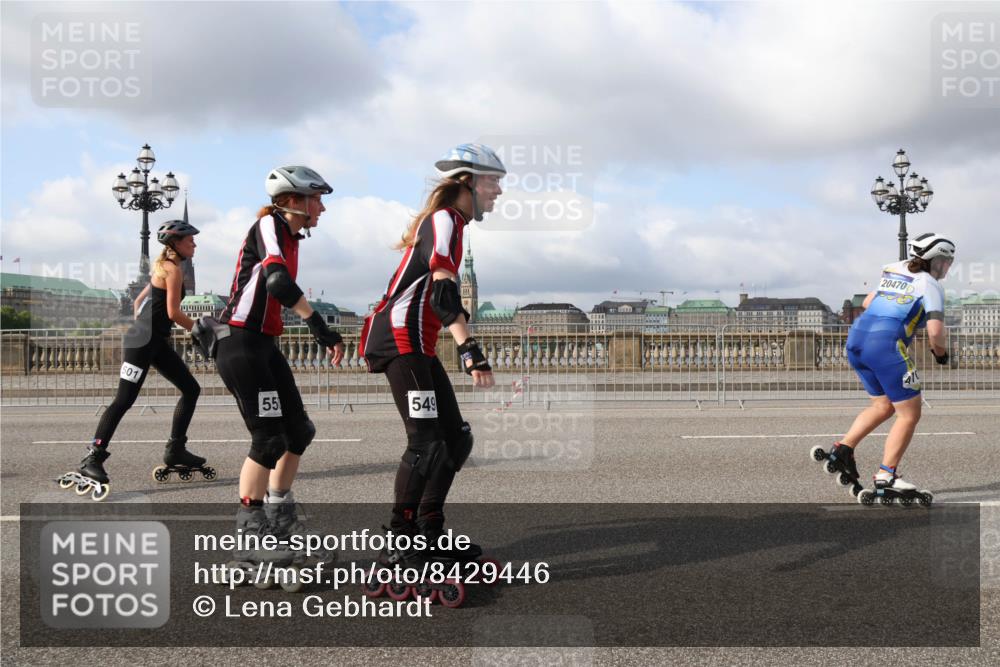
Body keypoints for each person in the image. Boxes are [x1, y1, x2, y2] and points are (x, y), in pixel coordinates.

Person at [360, 143, 503, 564]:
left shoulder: (453, 223)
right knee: (426, 444)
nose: (498, 192)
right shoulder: (444, 219)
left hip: (416, 342)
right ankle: (401, 541)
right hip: (399, 338)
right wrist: (470, 348)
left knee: (455, 440)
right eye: (493, 182)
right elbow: (444, 292)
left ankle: (429, 530)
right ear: (468, 183)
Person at [214, 166, 344, 554]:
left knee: (299, 432)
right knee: (268, 439)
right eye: (317, 199)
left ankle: (277, 517)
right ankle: (249, 533)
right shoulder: (270, 225)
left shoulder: (293, 238)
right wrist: (318, 325)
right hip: (239, 341)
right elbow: (277, 281)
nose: (322, 207)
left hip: (264, 344)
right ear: (293, 202)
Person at [57, 220, 207, 501]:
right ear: (175, 243)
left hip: (152, 340)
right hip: (142, 341)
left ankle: (176, 448)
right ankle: (94, 457)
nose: (194, 243)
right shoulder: (172, 269)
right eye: (190, 240)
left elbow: (140, 301)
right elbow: (174, 313)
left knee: (191, 389)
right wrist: (200, 329)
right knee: (123, 400)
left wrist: (145, 324)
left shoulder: (162, 267)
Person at [829, 232, 955, 502]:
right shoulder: (930, 284)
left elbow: (866, 303)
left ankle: (843, 449)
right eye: (946, 261)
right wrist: (941, 354)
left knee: (883, 406)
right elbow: (935, 330)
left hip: (856, 340)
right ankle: (887, 475)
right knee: (909, 414)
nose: (947, 267)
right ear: (936, 261)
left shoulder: (894, 269)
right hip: (886, 347)